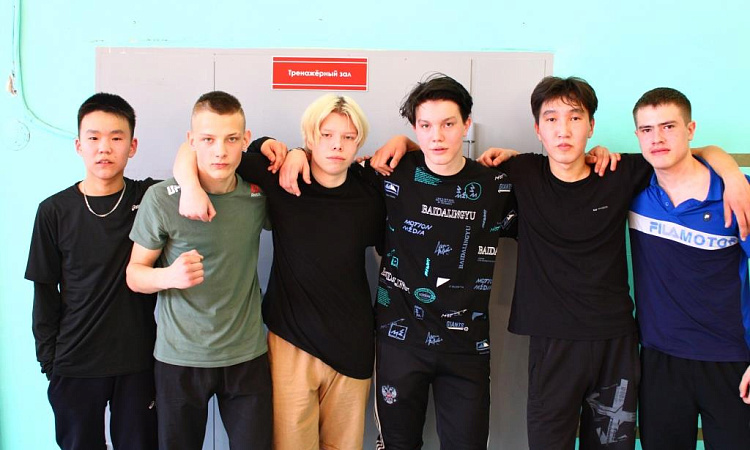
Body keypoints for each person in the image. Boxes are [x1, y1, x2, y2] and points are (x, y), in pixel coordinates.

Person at [368, 76, 750, 450]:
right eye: (551, 119)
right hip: (548, 344)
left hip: (615, 342)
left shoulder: (618, 172)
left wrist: (732, 174)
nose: (563, 130)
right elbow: (437, 161)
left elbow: (677, 153)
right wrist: (404, 142)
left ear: (591, 126)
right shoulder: (520, 173)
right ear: (537, 130)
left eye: (575, 118)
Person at [282, 74, 518, 449]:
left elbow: (555, 194)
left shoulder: (496, 186)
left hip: (467, 348)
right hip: (399, 342)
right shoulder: (388, 173)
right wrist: (296, 151)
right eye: (425, 126)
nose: (437, 136)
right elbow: (330, 164)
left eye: (448, 124)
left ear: (467, 124)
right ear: (414, 128)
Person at [174, 93, 386, 450]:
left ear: (359, 142)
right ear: (309, 138)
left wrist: (402, 141)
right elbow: (196, 150)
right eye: (326, 135)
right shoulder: (281, 176)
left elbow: (421, 161)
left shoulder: (370, 189)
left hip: (353, 346)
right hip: (291, 342)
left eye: (348, 137)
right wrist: (191, 187)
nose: (337, 145)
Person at [126, 91, 273, 450]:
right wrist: (168, 277)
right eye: (208, 139)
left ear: (246, 140)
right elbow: (134, 274)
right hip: (180, 357)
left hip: (246, 355)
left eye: (231, 139)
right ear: (191, 141)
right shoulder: (161, 199)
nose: (220, 151)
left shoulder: (258, 196)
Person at [24, 93, 159, 450]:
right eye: (94, 138)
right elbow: (44, 293)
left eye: (116, 138)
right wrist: (50, 363)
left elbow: (203, 166)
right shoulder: (54, 211)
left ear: (132, 146)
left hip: (137, 362)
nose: (104, 148)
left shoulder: (150, 198)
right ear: (79, 146)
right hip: (74, 363)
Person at [628, 87, 750, 449]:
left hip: (731, 360)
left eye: (668, 126)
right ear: (638, 136)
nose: (657, 138)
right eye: (647, 129)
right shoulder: (633, 188)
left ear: (690, 129)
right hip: (659, 360)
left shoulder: (735, 194)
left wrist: (732, 174)